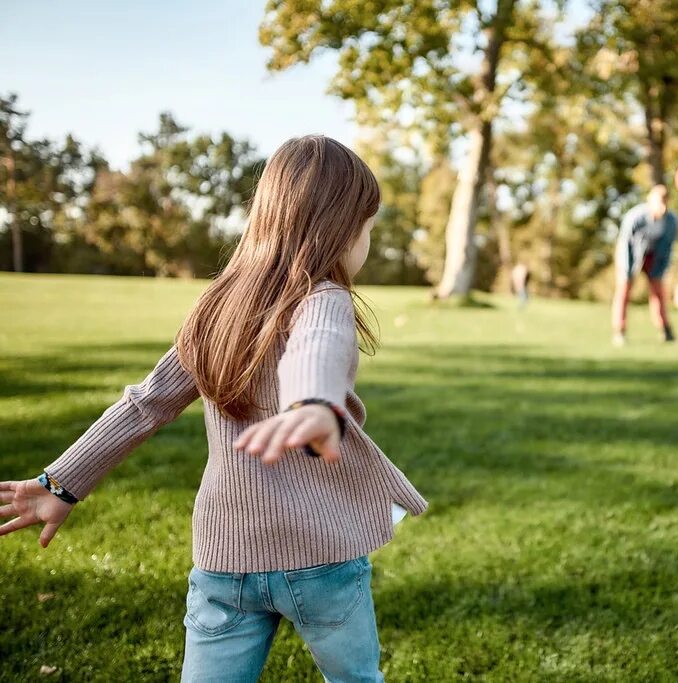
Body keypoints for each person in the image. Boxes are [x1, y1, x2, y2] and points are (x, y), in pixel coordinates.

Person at [0, 136, 427, 682]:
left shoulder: (215, 307)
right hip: (322, 556)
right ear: (341, 229)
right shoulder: (324, 297)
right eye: (368, 229)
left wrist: (63, 483)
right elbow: (318, 343)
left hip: (225, 560)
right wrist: (315, 401)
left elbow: (144, 404)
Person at [611, 185, 678, 345]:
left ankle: (666, 330)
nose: (662, 205)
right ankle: (619, 331)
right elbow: (625, 243)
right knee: (624, 291)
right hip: (631, 254)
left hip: (654, 256)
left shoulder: (671, 221)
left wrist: (660, 269)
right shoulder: (635, 217)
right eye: (658, 201)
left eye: (664, 201)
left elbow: (668, 247)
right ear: (650, 200)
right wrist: (628, 270)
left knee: (658, 292)